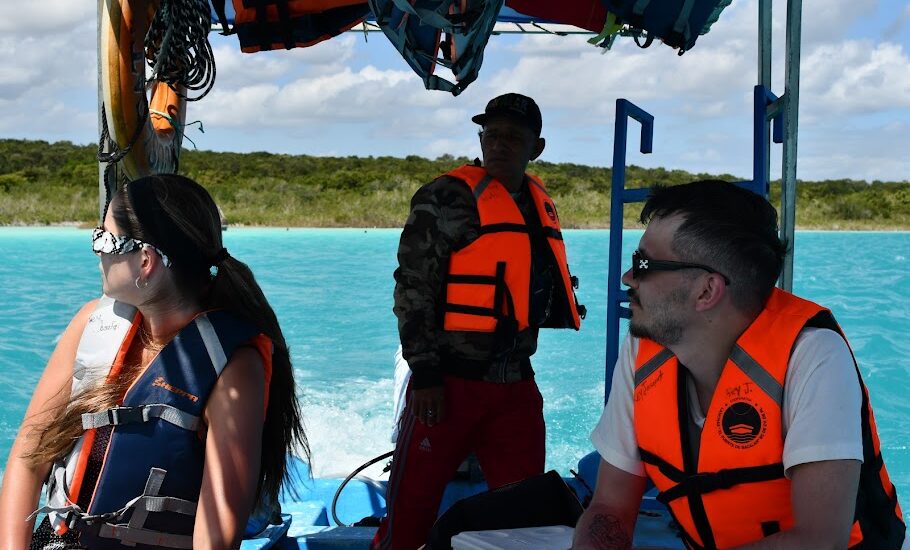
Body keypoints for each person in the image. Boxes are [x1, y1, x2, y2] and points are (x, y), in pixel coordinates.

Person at [573, 180, 906, 549]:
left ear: (706, 291)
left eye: (644, 264)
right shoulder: (644, 349)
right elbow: (610, 508)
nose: (628, 277)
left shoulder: (813, 356)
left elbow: (819, 541)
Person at [0, 174, 310, 549]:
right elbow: (27, 460)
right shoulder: (91, 324)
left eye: (104, 238)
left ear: (145, 261)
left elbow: (215, 538)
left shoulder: (232, 370)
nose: (97, 249)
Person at [373, 92, 585, 549]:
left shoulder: (537, 202)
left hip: (515, 385)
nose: (500, 144)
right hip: (448, 384)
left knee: (526, 510)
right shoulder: (446, 196)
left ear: (538, 147)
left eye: (514, 136)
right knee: (410, 509)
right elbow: (413, 289)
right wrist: (425, 373)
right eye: (492, 134)